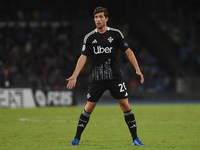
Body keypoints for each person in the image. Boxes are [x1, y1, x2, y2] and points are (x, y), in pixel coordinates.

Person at [66, 6, 145, 146]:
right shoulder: (89, 37)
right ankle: (76, 138)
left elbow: (128, 51)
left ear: (106, 19)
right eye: (96, 17)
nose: (98, 19)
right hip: (97, 79)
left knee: (125, 105)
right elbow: (83, 57)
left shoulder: (116, 34)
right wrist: (74, 75)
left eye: (101, 17)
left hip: (115, 77)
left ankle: (135, 139)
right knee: (89, 107)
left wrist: (137, 69)